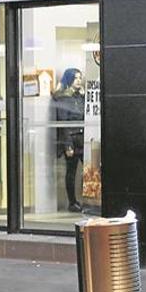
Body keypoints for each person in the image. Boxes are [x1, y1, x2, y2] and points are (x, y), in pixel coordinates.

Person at [53, 68, 85, 213]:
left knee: (90, 169)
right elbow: (63, 123)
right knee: (71, 171)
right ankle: (72, 202)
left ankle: (89, 200)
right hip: (72, 138)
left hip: (83, 138)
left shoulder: (80, 97)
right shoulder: (63, 98)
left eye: (80, 78)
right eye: (76, 78)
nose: (79, 80)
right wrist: (67, 145)